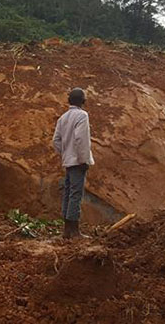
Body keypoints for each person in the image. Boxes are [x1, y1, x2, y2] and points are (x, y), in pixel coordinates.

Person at [52, 87, 95, 239]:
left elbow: (56, 140)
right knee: (76, 194)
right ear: (83, 101)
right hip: (78, 161)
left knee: (68, 193)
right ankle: (75, 231)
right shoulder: (82, 116)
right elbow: (81, 140)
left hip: (68, 161)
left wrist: (65, 153)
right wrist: (83, 160)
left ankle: (66, 230)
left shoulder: (63, 118)